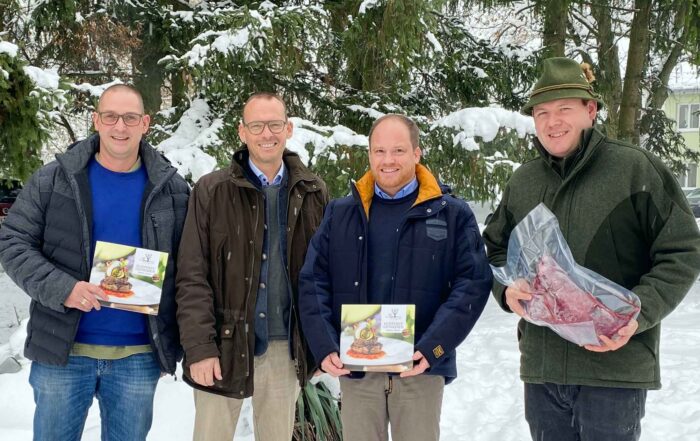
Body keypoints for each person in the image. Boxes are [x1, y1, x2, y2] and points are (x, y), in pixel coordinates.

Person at [482, 57, 700, 441]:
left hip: (614, 366)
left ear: (590, 110)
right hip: (544, 366)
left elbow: (682, 250)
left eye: (565, 108)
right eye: (542, 112)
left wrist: (639, 312)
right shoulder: (524, 181)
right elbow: (495, 250)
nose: (553, 122)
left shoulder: (635, 169)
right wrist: (506, 290)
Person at [0, 84, 189, 440]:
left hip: (137, 355)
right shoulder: (54, 179)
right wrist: (63, 288)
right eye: (111, 117)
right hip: (64, 352)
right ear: (95, 121)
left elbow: (188, 269)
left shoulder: (172, 189)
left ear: (145, 123)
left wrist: (174, 344)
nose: (121, 127)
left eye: (130, 117)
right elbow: (12, 242)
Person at [298, 114, 493, 441]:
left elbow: (472, 283)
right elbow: (313, 281)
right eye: (380, 151)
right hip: (358, 371)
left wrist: (433, 348)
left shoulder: (451, 214)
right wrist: (325, 345)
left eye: (398, 150)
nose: (388, 160)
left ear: (417, 154)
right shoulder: (341, 213)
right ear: (370, 154)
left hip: (419, 369)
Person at [176, 92, 328, 441]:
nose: (266, 134)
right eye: (257, 125)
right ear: (242, 132)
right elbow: (191, 274)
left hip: (283, 348)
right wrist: (200, 348)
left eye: (275, 124)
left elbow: (323, 276)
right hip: (222, 345)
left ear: (288, 128)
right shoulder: (212, 190)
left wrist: (319, 345)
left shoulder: (312, 191)